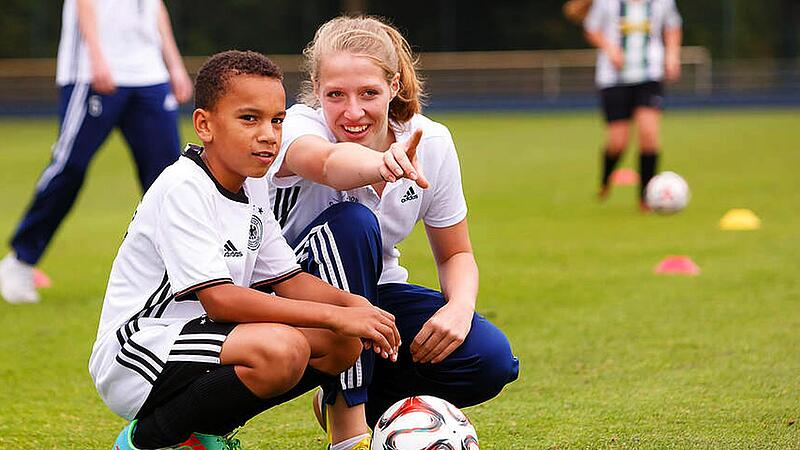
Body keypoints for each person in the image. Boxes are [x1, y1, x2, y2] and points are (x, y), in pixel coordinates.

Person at [89, 50, 400, 450]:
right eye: (249, 119)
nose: (269, 134)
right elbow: (220, 301)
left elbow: (287, 278)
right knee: (282, 349)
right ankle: (145, 440)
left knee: (341, 344)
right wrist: (334, 315)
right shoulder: (184, 187)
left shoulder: (251, 184)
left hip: (203, 342)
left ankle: (201, 434)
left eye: (277, 120)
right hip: (139, 352)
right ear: (205, 124)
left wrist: (356, 308)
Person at [267, 15, 519, 449]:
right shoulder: (297, 127)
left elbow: (456, 254)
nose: (353, 111)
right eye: (335, 95)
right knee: (352, 223)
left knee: (489, 360)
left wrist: (459, 307)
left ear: (395, 85)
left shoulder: (431, 141)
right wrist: (379, 164)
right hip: (289, 296)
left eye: (369, 93)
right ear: (315, 89)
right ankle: (347, 430)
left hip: (374, 294)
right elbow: (327, 164)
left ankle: (356, 399)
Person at [0, 0, 193, 304]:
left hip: (149, 74)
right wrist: (96, 57)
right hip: (92, 72)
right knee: (70, 167)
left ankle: (179, 272)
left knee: (168, 176)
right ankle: (20, 261)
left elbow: (156, 7)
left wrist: (174, 65)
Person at [583, 0, 682, 210]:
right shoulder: (607, 3)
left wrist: (672, 55)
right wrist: (610, 48)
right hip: (613, 78)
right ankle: (606, 178)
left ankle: (646, 198)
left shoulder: (662, 2)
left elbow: (673, 25)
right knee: (618, 142)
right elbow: (591, 28)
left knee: (648, 135)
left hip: (649, 77)